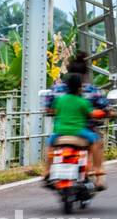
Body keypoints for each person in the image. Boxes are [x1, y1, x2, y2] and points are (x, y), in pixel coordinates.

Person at [46, 53, 111, 188]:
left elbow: (50, 109)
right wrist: (105, 113)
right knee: (96, 141)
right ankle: (98, 173)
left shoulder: (58, 94)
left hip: (60, 131)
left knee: (50, 145)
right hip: (82, 130)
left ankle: (47, 171)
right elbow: (97, 111)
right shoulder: (88, 94)